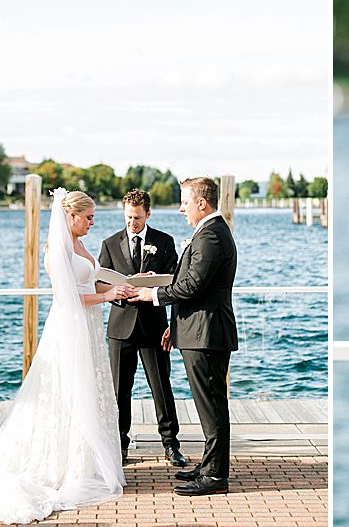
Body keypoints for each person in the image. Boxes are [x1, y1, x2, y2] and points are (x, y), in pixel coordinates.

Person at [0, 189, 131, 524]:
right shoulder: (55, 251)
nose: (91, 223)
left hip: (88, 328)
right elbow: (68, 297)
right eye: (87, 218)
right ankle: (62, 464)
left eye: (92, 218)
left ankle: (86, 459)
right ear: (70, 216)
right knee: (66, 390)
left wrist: (121, 288)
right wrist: (108, 297)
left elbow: (90, 284)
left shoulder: (81, 246)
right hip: (69, 327)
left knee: (89, 391)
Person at [130, 176, 238, 497]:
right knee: (209, 404)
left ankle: (216, 475)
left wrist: (151, 294)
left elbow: (191, 287)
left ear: (201, 203)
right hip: (196, 332)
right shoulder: (207, 233)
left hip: (206, 334)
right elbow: (188, 280)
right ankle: (208, 466)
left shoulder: (212, 236)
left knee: (212, 406)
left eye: (185, 202)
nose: (181, 208)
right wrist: (173, 324)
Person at [98, 188, 187, 467]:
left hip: (154, 326)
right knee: (119, 390)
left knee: (161, 387)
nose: (132, 223)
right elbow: (100, 283)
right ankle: (119, 446)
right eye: (128, 217)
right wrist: (117, 288)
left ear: (148, 214)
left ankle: (171, 445)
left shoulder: (164, 242)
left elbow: (176, 283)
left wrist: (153, 280)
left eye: (137, 218)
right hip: (120, 326)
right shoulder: (110, 243)